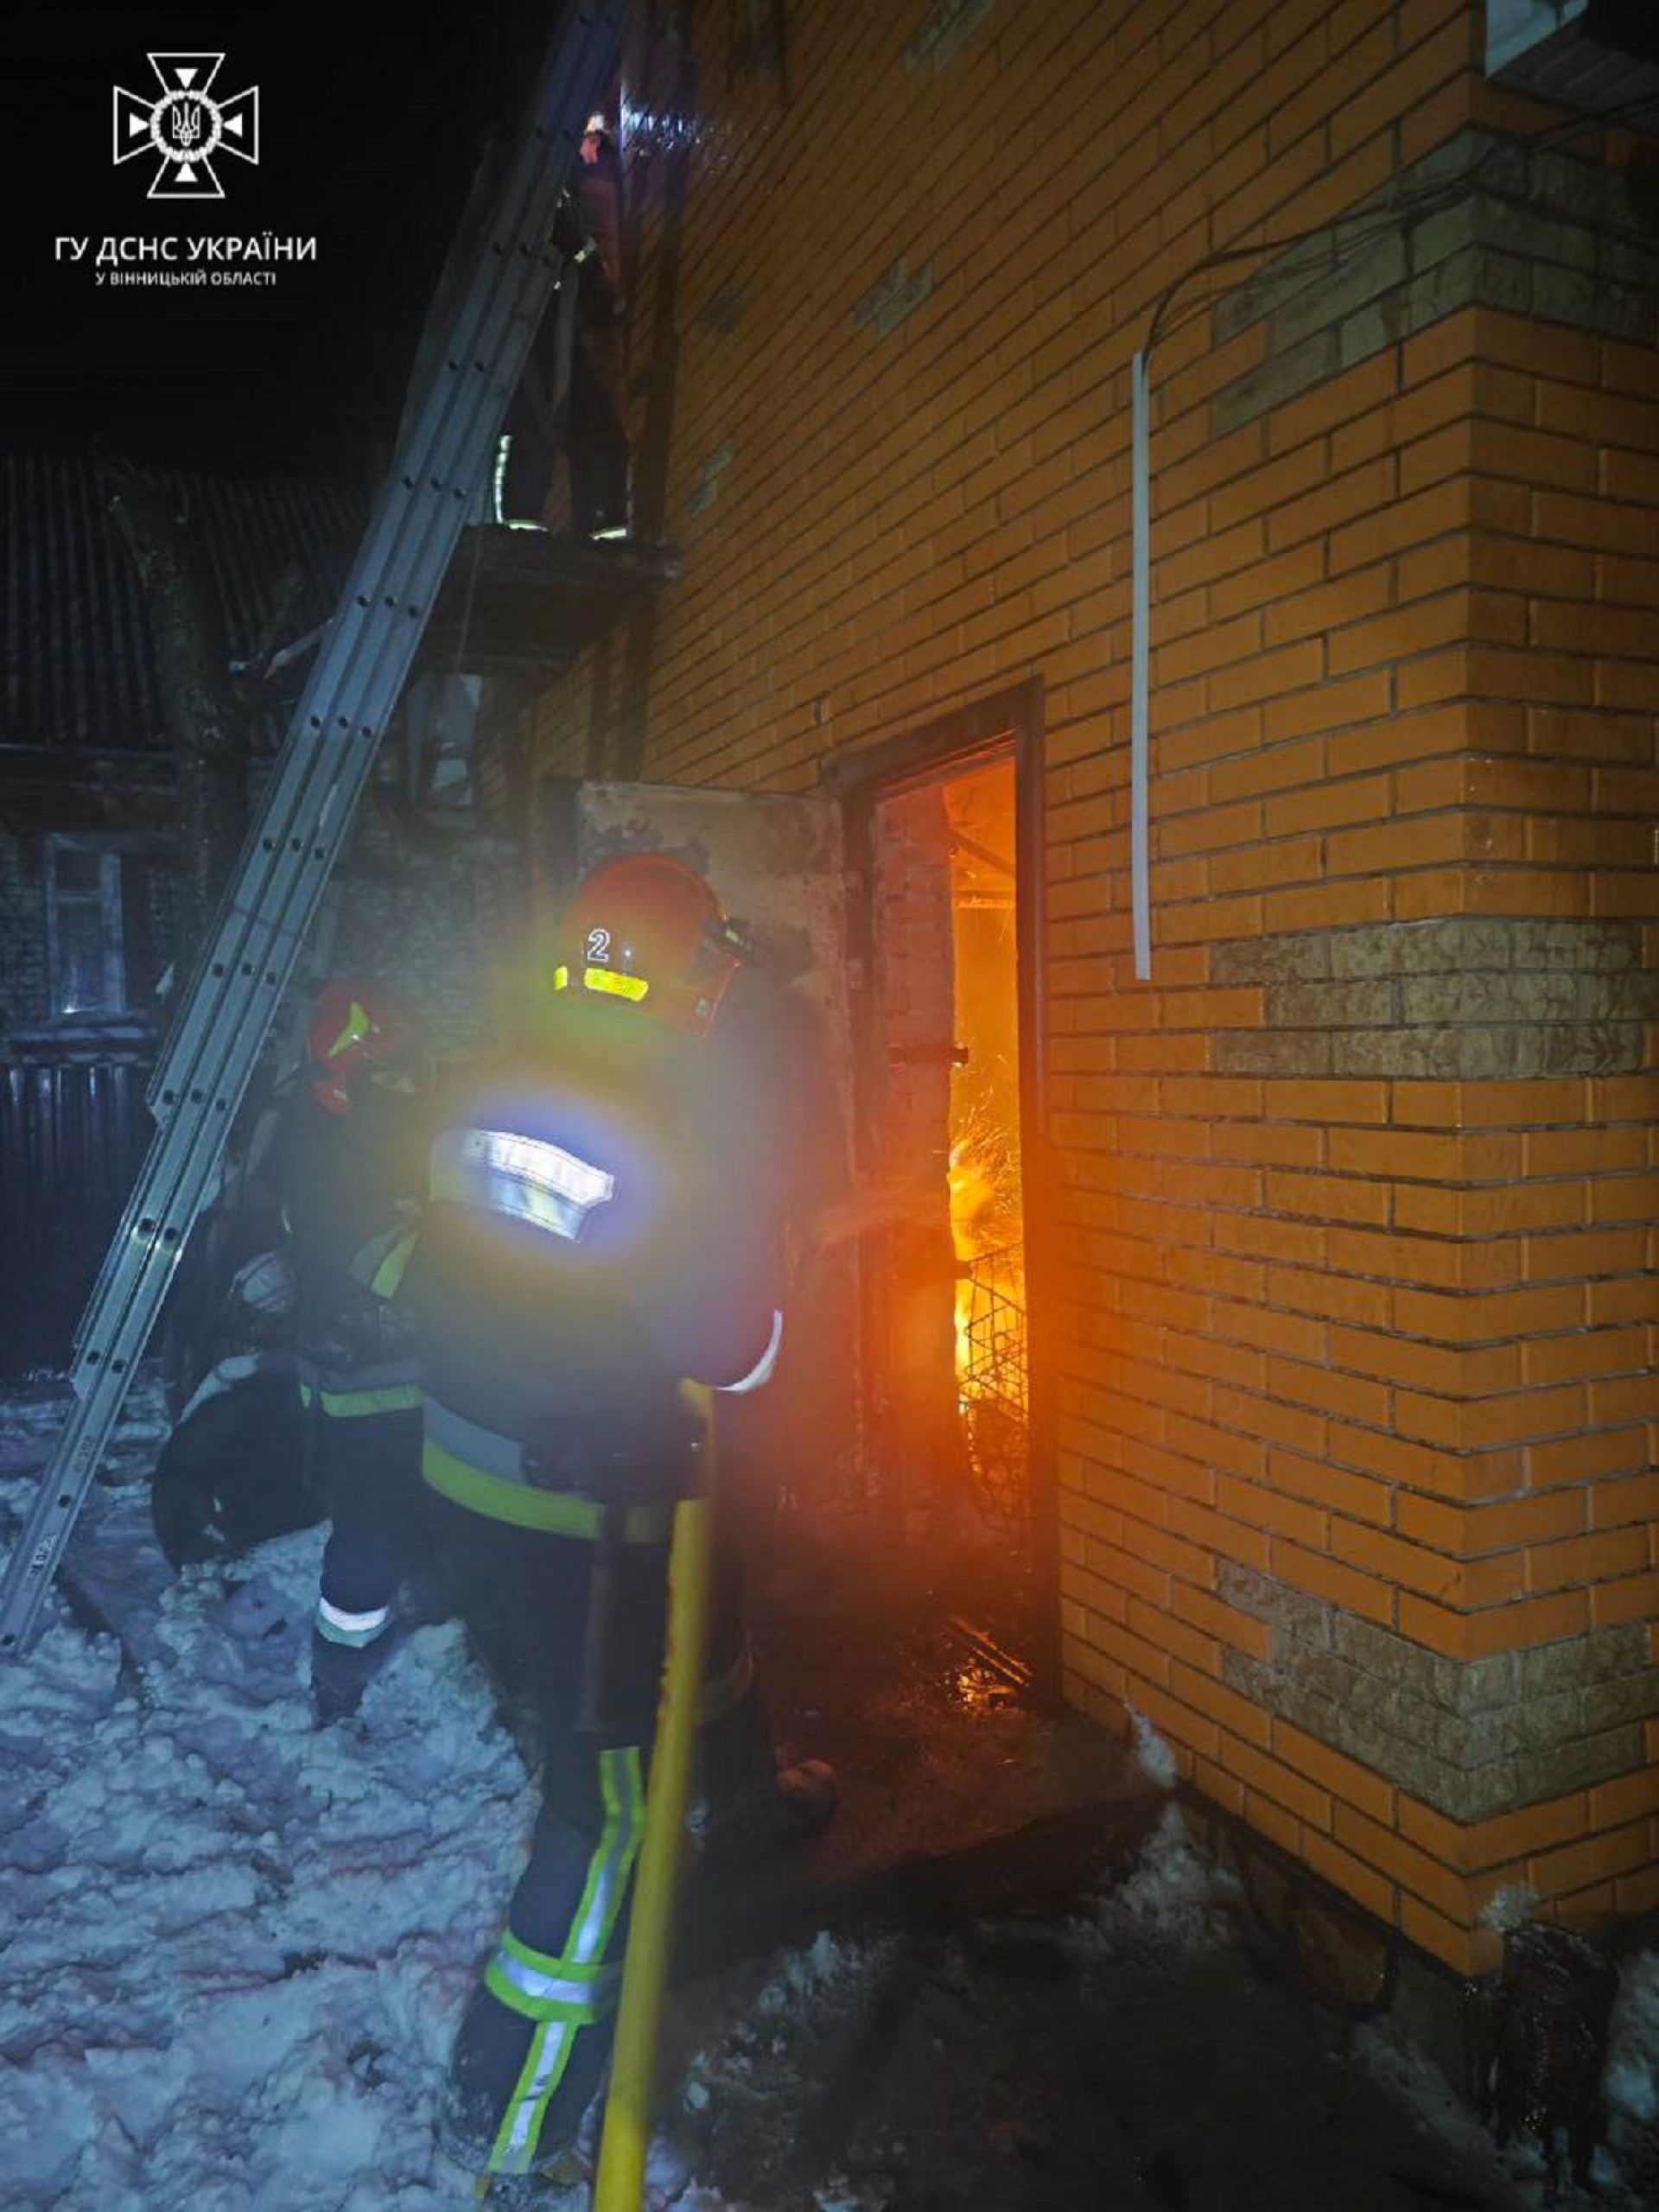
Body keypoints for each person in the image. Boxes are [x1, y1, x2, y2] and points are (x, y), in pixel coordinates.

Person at [310, 857, 790, 2192]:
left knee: (623, 1732)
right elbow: (737, 1352)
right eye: (713, 965)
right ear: (687, 969)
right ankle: (512, 2109)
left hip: (469, 1479)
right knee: (608, 1815)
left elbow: (461, 1249)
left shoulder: (501, 1068)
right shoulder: (670, 1105)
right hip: (585, 1521)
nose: (718, 992)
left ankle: (742, 1789)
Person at [276, 982, 433, 1720]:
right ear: (351, 1075)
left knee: (410, 1526)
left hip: (409, 1383)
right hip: (364, 1395)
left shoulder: (358, 1133)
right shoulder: (327, 1156)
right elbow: (384, 1262)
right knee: (369, 1543)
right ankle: (340, 1678)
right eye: (392, 1075)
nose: (410, 1088)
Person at [494, 112, 631, 538]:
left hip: (561, 339)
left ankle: (605, 526)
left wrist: (602, 292)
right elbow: (572, 252)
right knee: (530, 427)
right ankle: (520, 524)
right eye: (591, 139)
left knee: (598, 432)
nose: (594, 151)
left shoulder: (561, 203)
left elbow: (583, 262)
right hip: (528, 336)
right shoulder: (535, 200)